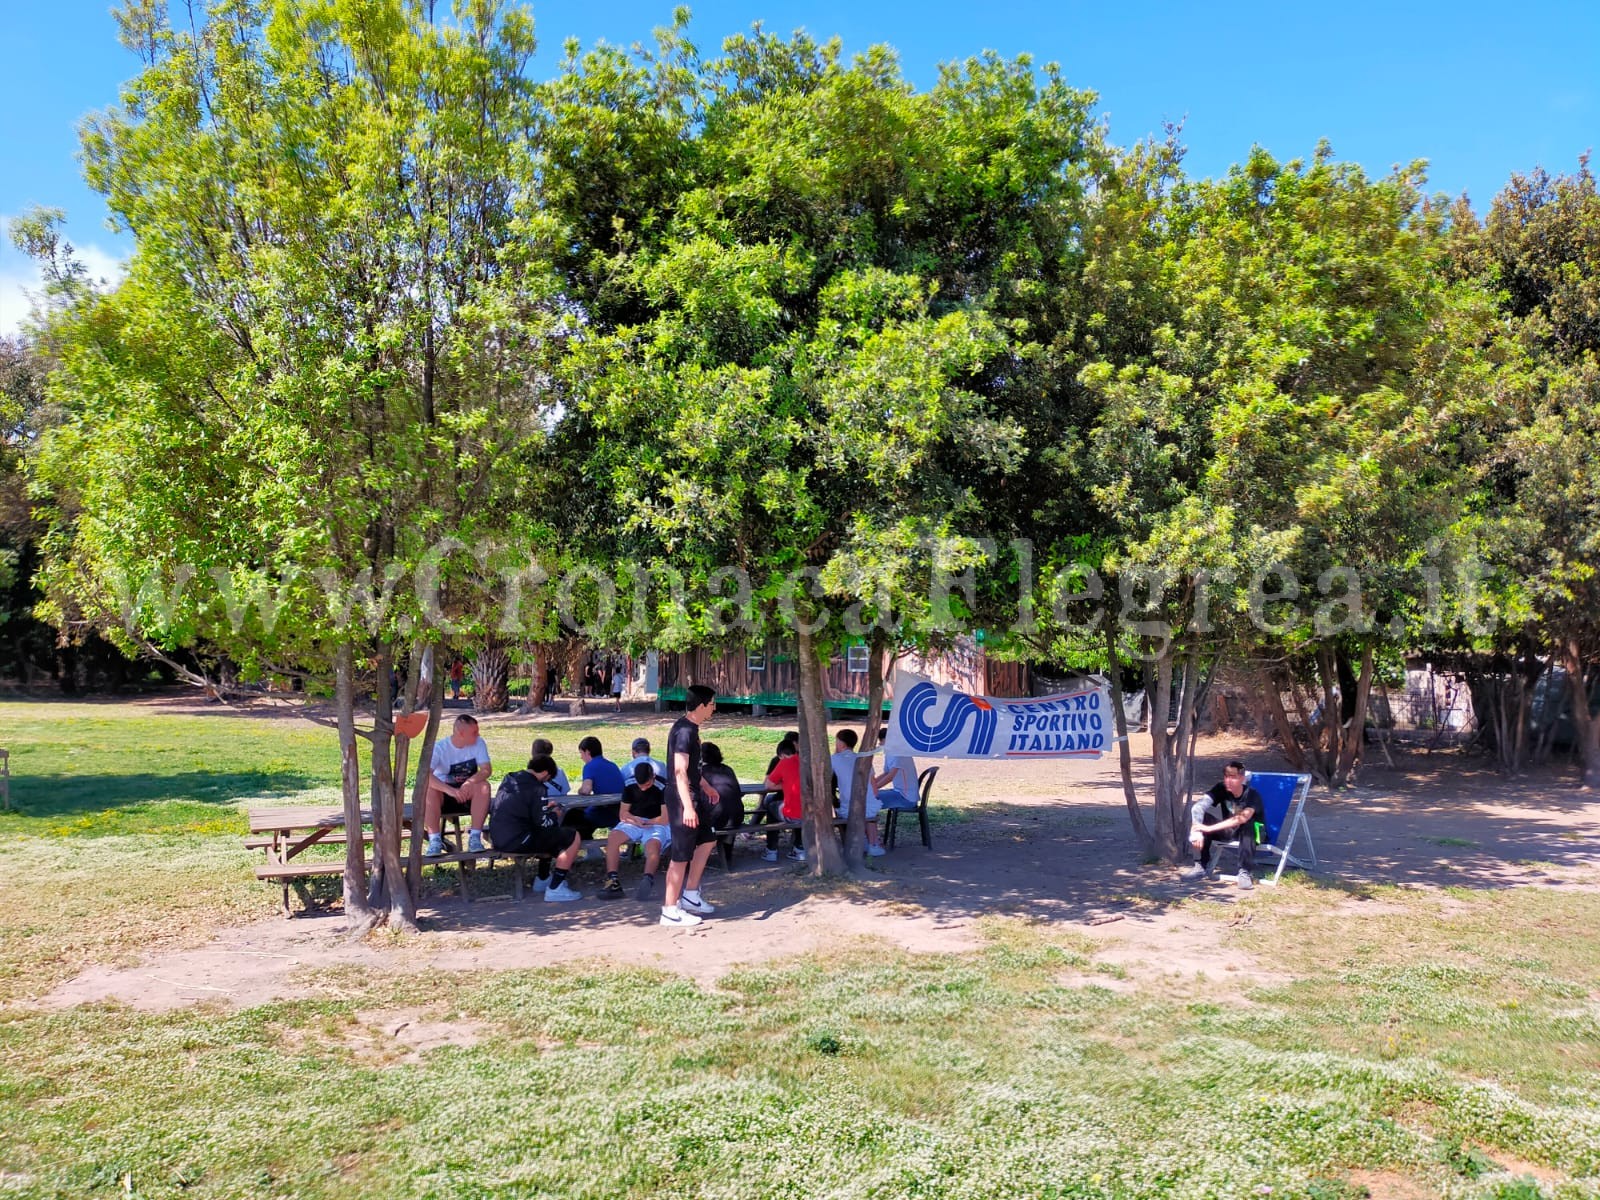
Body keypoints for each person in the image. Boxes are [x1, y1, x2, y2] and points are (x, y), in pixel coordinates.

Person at [660, 684, 722, 928]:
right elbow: (679, 771)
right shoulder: (684, 732)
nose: (715, 708)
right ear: (702, 705)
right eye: (712, 704)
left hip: (695, 795)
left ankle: (691, 896)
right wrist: (687, 806)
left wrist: (705, 786)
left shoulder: (691, 728)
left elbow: (693, 769)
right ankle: (669, 910)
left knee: (707, 840)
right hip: (681, 799)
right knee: (681, 855)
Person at [487, 754, 583, 902]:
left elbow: (525, 811)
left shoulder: (510, 779)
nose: (547, 782)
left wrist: (544, 809)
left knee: (550, 837)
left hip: (498, 837)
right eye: (549, 778)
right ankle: (555, 888)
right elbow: (543, 823)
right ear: (545, 773)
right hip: (518, 839)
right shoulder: (537, 788)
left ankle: (543, 878)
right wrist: (555, 814)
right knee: (572, 836)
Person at [1181, 760, 1263, 889]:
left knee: (1248, 824)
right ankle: (1200, 866)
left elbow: (1242, 818)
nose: (1228, 781)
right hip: (1229, 831)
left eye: (1233, 777)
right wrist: (1197, 831)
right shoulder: (1221, 788)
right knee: (1203, 819)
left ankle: (1244, 872)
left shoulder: (1252, 795)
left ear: (1241, 778)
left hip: (1254, 835)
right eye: (1226, 776)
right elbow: (1198, 807)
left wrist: (1209, 828)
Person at [600, 762, 671, 900]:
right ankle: (613, 881)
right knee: (613, 838)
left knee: (653, 846)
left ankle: (647, 878)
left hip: (657, 822)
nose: (643, 789)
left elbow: (665, 818)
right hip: (635, 820)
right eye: (640, 786)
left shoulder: (663, 787)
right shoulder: (629, 784)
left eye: (647, 785)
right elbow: (623, 813)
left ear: (654, 777)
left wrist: (648, 822)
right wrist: (635, 820)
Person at [423, 714, 492, 855]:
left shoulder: (479, 743)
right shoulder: (440, 748)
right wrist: (450, 790)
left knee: (484, 786)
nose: (478, 735)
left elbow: (486, 770)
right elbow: (425, 775)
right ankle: (435, 840)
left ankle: (475, 837)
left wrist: (469, 782)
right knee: (428, 790)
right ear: (461, 733)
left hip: (468, 794)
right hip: (444, 796)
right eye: (474, 732)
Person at [832, 728, 885, 856]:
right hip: (869, 805)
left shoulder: (833, 759)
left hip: (848, 807)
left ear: (841, 744)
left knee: (854, 806)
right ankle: (873, 844)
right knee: (869, 806)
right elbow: (873, 786)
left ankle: (859, 843)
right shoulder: (863, 759)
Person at [760, 739, 806, 863]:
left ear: (782, 755)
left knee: (770, 805)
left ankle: (771, 850)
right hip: (812, 813)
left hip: (794, 814)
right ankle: (799, 848)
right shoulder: (806, 761)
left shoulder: (784, 762)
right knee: (800, 810)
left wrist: (785, 784)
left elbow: (768, 785)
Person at [873, 728, 920, 821]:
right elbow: (886, 773)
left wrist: (873, 788)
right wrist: (872, 784)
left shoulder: (899, 753)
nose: (880, 744)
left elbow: (890, 777)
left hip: (906, 798)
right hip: (898, 792)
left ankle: (868, 833)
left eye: (881, 741)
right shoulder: (890, 753)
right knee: (869, 797)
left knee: (868, 800)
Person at [700, 742, 744, 831]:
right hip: (737, 817)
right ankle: (728, 844)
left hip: (716, 818)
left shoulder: (701, 773)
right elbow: (738, 793)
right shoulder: (728, 769)